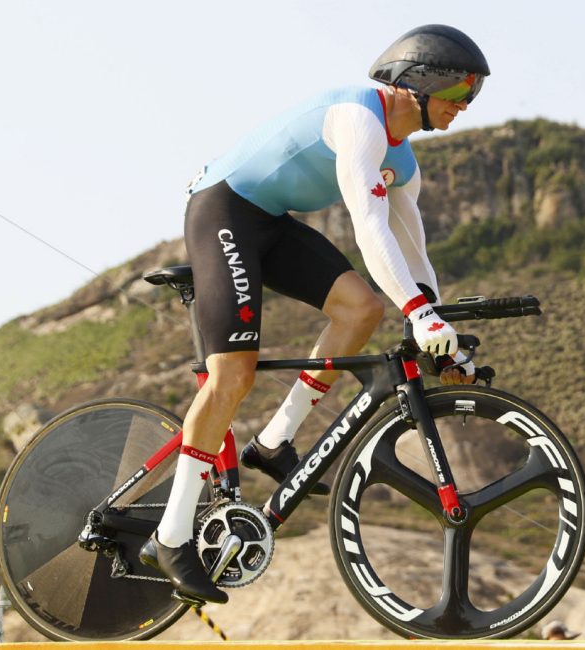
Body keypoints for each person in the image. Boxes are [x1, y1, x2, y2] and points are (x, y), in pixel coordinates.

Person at [138, 24, 490, 603]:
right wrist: (422, 316)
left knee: (361, 309)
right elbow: (369, 227)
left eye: (473, 97)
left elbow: (414, 253)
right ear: (417, 83)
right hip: (224, 207)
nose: (465, 107)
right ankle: (171, 536)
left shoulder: (403, 161)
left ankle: (273, 443)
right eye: (459, 94)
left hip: (272, 222)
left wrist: (438, 329)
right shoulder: (359, 120)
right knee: (233, 376)